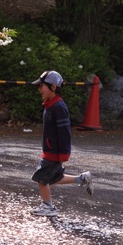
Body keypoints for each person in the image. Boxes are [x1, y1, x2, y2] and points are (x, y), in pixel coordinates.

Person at [30, 70, 93, 217]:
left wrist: (64, 152)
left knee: (41, 178)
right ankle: (83, 178)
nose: (39, 89)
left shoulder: (58, 107)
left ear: (52, 87)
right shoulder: (50, 105)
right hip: (51, 150)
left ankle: (48, 207)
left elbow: (65, 132)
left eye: (42, 86)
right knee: (54, 177)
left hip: (54, 151)